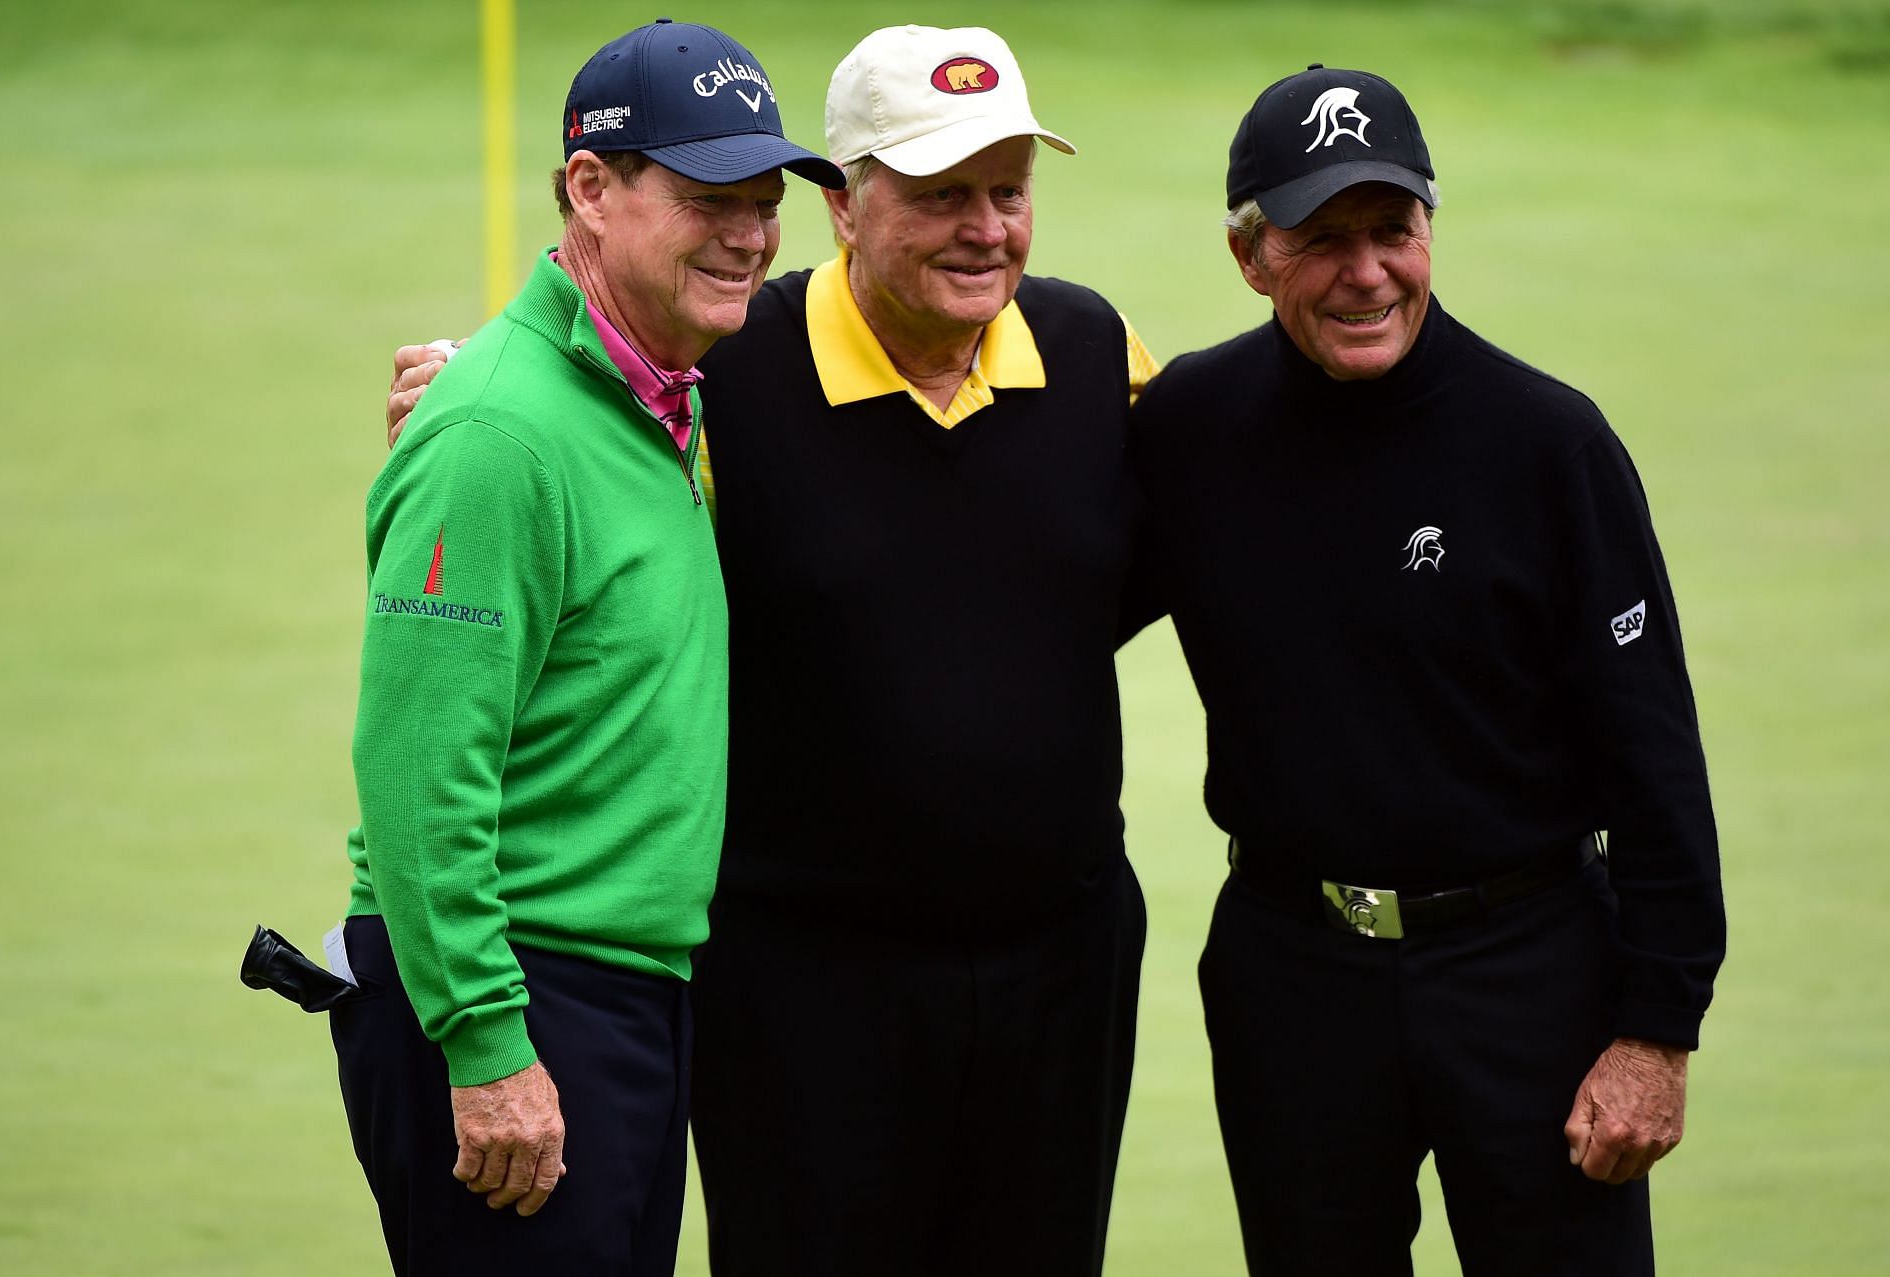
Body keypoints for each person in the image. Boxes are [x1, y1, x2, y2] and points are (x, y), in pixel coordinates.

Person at [388, 25, 1157, 1275]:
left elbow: (1219, 491)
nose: (986, 229)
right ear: (845, 205)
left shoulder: (1089, 350)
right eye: (940, 194)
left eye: (1008, 191)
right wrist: (470, 388)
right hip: (799, 977)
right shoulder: (725, 367)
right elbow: (576, 394)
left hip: (1060, 972)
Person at [1129, 64, 1726, 1276]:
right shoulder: (1190, 423)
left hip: (1532, 969)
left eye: (1392, 230)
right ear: (1251, 256)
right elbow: (1045, 610)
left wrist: (1656, 1031)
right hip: (1291, 970)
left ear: (1430, 231)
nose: (1367, 273)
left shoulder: (1548, 442)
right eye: (1322, 238)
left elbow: (1653, 744)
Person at [331, 20, 840, 1275]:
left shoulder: (665, 396)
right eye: (709, 196)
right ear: (590, 191)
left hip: (626, 993)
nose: (750, 231)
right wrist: (488, 1039)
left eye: (766, 201)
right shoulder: (500, 433)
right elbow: (415, 768)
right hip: (518, 991)